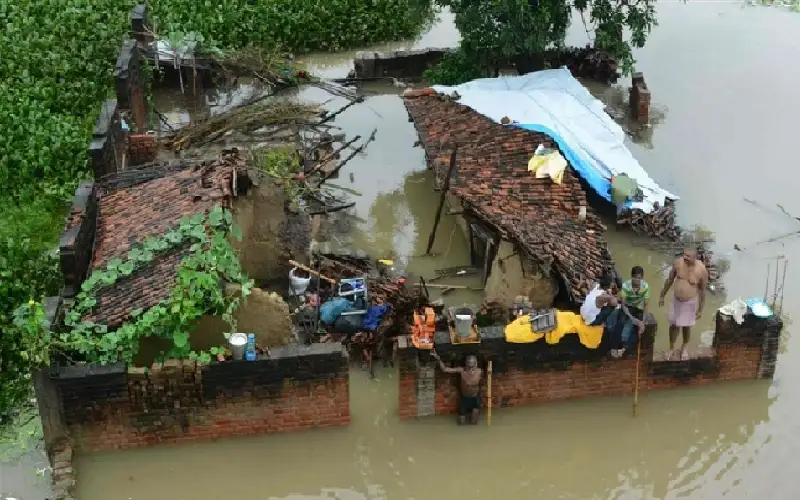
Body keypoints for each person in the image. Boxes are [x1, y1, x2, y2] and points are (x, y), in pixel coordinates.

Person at [658, 248, 708, 360]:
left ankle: (684, 348)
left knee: (686, 326)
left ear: (695, 257)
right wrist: (662, 295)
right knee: (674, 326)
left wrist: (700, 309)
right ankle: (671, 348)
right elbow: (669, 280)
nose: (685, 257)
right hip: (676, 300)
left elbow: (703, 291)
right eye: (684, 255)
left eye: (688, 256)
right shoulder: (678, 263)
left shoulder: (701, 270)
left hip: (690, 302)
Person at [431, 351, 483, 425]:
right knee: (461, 421)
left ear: (476, 363)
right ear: (466, 363)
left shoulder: (479, 371)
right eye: (469, 366)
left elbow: (483, 382)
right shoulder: (461, 370)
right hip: (465, 398)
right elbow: (445, 369)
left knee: (474, 422)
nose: (471, 369)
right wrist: (438, 359)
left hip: (475, 398)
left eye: (473, 366)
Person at [615, 266, 648, 357]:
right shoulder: (626, 286)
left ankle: (625, 348)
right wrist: (632, 318)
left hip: (638, 307)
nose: (637, 280)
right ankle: (618, 346)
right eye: (635, 278)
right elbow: (623, 304)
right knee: (621, 322)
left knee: (640, 328)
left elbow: (646, 305)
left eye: (639, 278)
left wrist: (643, 322)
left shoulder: (645, 287)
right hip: (627, 307)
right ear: (632, 277)